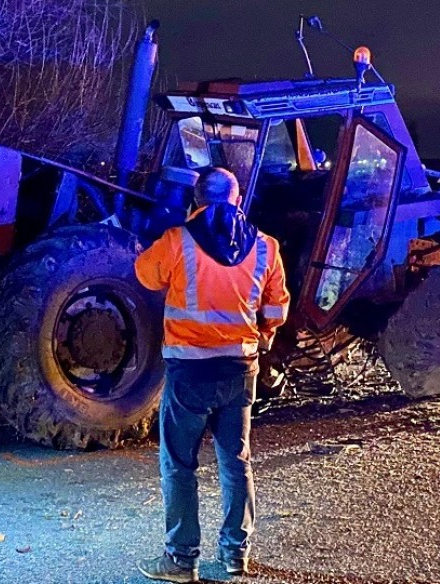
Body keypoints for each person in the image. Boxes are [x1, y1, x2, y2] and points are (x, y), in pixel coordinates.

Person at [135, 168, 290, 583]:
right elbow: (277, 310)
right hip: (240, 369)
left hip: (189, 370)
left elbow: (144, 275)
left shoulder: (177, 241)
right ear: (238, 199)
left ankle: (182, 560)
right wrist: (263, 334)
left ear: (196, 200)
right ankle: (235, 556)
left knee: (179, 465)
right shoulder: (265, 247)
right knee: (235, 462)